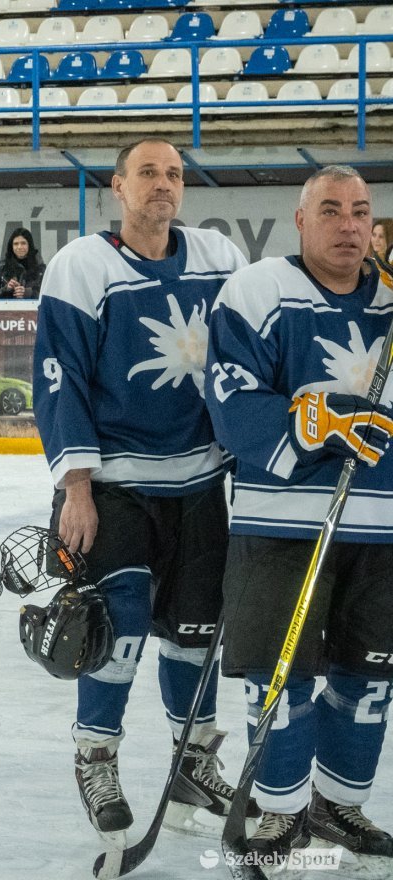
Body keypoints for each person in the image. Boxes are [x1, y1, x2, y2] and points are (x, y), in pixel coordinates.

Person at [32, 138, 250, 845]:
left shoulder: (220, 258)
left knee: (196, 632)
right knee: (119, 620)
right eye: (148, 172)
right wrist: (76, 487)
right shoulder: (82, 266)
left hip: (200, 483)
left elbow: (252, 356)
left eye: (175, 174)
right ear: (118, 186)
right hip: (115, 484)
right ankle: (96, 756)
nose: (164, 184)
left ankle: (193, 764)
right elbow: (58, 377)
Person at [205, 165, 393, 865]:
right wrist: (315, 427)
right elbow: (229, 394)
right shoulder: (257, 290)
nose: (349, 225)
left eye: (361, 212)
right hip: (280, 522)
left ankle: (338, 805)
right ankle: (281, 812)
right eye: (332, 210)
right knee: (279, 676)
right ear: (301, 219)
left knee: (369, 677)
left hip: (383, 523)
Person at [0, 227, 46, 299]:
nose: (19, 247)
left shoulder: (40, 268)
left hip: (32, 307)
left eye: (23, 243)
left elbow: (47, 295)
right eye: (16, 244)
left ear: (29, 245)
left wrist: (28, 293)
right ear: (11, 246)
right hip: (8, 306)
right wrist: (5, 289)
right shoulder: (2, 266)